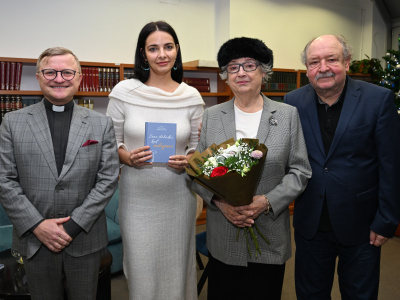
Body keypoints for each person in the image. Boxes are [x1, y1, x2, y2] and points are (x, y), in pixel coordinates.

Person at [193, 37, 312, 300]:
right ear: (225, 76)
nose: (241, 73)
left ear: (264, 71)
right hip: (223, 234)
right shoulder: (212, 116)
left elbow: (300, 171)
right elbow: (198, 174)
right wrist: (221, 203)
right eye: (233, 67)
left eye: (249, 65)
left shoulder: (287, 115)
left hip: (268, 232)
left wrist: (265, 201)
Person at [284, 34, 400, 300]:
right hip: (310, 224)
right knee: (310, 294)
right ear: (307, 69)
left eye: (331, 59)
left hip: (362, 225)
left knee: (360, 295)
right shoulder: (292, 102)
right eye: (314, 62)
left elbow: (391, 165)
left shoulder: (378, 100)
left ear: (347, 62)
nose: (323, 67)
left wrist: (386, 221)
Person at [0, 47, 120, 300]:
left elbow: (108, 179)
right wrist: (37, 225)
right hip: (35, 239)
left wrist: (74, 225)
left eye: (67, 72)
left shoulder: (101, 123)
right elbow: (5, 179)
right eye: (50, 72)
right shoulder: (12, 122)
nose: (59, 78)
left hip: (84, 238)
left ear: (78, 78)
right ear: (40, 77)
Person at [106, 21, 204, 300]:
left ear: (176, 51)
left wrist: (187, 160)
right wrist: (128, 157)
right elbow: (110, 143)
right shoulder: (124, 92)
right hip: (138, 198)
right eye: (153, 48)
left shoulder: (192, 97)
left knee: (178, 267)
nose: (162, 54)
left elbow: (197, 149)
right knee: (141, 270)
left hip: (179, 197)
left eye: (168, 46)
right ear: (143, 53)